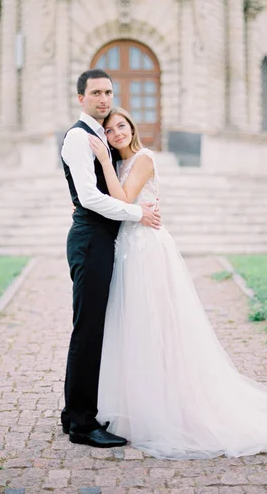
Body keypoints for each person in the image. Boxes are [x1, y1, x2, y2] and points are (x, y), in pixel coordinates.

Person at [88, 107, 267, 460]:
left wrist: (101, 160)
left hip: (148, 250)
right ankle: (137, 404)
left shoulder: (143, 158)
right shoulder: (116, 167)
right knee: (134, 328)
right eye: (110, 131)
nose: (116, 134)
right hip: (127, 248)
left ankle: (171, 408)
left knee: (160, 326)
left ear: (132, 127)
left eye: (121, 126)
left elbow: (125, 200)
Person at [60, 69, 161, 448]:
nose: (103, 99)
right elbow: (88, 197)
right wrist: (138, 214)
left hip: (103, 240)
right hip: (90, 241)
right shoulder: (77, 138)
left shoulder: (101, 136)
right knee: (88, 330)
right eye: (96, 93)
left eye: (108, 92)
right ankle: (83, 425)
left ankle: (74, 413)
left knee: (92, 329)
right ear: (81, 97)